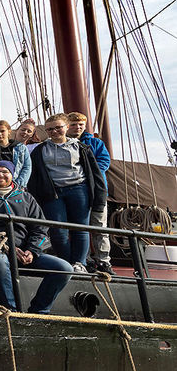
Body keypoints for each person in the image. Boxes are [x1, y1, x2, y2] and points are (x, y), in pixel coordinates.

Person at [0, 162, 73, 313]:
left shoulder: (26, 198)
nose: (0, 175)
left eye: (4, 171)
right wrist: (3, 245)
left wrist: (32, 250)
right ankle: (11, 309)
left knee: (64, 269)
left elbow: (41, 229)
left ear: (12, 175)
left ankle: (39, 310)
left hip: (25, 252)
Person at [28, 113, 106, 272]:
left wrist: (99, 197)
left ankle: (79, 263)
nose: (54, 131)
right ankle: (65, 263)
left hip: (79, 189)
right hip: (52, 193)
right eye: (50, 129)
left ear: (66, 127)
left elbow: (94, 172)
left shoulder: (82, 148)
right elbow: (34, 176)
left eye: (58, 127)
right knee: (57, 231)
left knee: (80, 228)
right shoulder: (39, 150)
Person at [67, 111, 112, 274]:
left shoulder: (96, 143)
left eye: (81, 125)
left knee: (100, 226)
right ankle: (82, 260)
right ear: (67, 126)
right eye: (73, 124)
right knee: (80, 227)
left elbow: (104, 161)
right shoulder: (62, 143)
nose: (77, 127)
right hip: (75, 191)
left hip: (97, 190)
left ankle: (104, 260)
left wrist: (87, 172)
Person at [0, 120, 32, 188]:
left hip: (18, 186)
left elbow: (27, 167)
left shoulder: (21, 148)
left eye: (2, 131)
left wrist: (19, 184)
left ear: (9, 131)